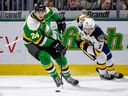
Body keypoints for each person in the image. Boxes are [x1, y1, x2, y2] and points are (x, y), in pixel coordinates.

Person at [22, 2, 79, 87]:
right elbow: (40, 41)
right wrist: (55, 44)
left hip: (46, 37)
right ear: (34, 12)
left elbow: (54, 15)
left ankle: (68, 77)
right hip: (32, 43)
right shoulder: (31, 24)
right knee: (44, 57)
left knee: (60, 57)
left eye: (42, 12)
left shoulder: (47, 11)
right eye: (38, 12)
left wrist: (59, 22)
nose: (41, 14)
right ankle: (55, 76)